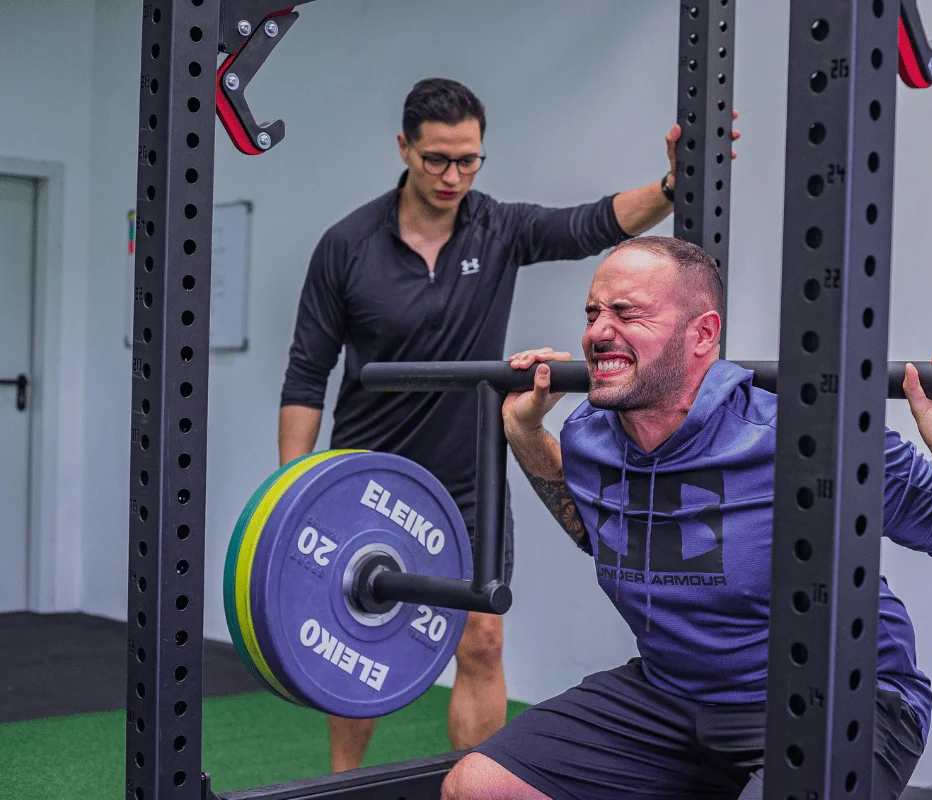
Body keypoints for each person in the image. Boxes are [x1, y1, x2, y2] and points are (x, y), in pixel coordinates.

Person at [440, 236, 932, 800]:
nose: (599, 333)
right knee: (479, 786)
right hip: (671, 697)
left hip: (842, 701)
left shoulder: (809, 438)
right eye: (593, 313)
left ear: (702, 335)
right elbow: (590, 528)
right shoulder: (590, 435)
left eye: (627, 314)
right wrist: (522, 431)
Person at [279, 79, 741, 772]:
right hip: (369, 474)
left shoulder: (497, 228)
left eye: (468, 160)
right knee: (359, 641)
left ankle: (480, 781)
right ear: (403, 147)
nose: (453, 176)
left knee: (483, 640)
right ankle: (344, 783)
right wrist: (296, 482)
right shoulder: (346, 246)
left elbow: (591, 223)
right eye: (437, 159)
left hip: (468, 475)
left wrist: (673, 185)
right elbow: (306, 374)